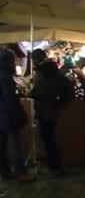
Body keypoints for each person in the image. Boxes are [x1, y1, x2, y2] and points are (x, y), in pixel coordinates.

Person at [31, 49, 73, 177]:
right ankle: (54, 167)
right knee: (49, 139)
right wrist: (61, 104)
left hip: (46, 110)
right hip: (50, 109)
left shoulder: (44, 72)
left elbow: (41, 91)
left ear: (36, 59)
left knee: (48, 139)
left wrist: (33, 93)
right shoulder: (52, 70)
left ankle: (55, 167)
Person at [0, 48, 36, 182]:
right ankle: (20, 172)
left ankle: (4, 171)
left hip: (2, 115)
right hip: (7, 115)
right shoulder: (5, 77)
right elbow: (10, 99)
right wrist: (20, 114)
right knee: (15, 144)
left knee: (2, 145)